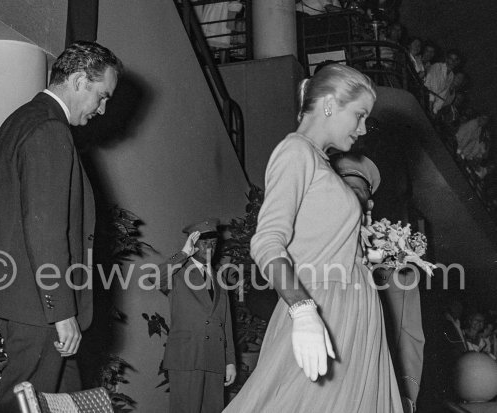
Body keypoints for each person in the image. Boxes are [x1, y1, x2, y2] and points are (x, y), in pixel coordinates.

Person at [224, 64, 403, 412]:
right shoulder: (296, 152)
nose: (363, 128)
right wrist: (303, 310)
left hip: (351, 310)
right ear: (330, 104)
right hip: (323, 309)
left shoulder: (322, 164)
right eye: (360, 115)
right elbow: (266, 241)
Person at [0, 41, 122, 413]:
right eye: (102, 96)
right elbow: (44, 228)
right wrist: (61, 312)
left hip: (22, 295)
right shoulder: (49, 129)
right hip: (38, 304)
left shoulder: (23, 119)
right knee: (25, 402)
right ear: (80, 80)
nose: (103, 108)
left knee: (66, 398)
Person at [332, 153, 424, 413]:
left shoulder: (394, 264)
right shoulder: (308, 252)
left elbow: (408, 333)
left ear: (368, 204)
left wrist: (406, 396)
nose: (347, 197)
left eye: (355, 191)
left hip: (374, 392)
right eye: (339, 188)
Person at [150, 218, 236, 413]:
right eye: (204, 242)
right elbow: (155, 279)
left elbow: (226, 322)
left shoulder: (219, 277)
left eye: (213, 243)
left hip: (214, 357)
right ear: (193, 244)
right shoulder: (178, 273)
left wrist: (229, 361)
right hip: (187, 356)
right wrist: (183, 254)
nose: (210, 247)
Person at [424, 49, 461, 115]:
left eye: (455, 60)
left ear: (457, 62)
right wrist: (430, 108)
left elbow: (442, 95)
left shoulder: (451, 75)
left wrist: (434, 111)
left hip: (432, 106)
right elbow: (432, 90)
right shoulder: (437, 67)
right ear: (446, 59)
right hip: (424, 97)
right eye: (451, 59)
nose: (452, 62)